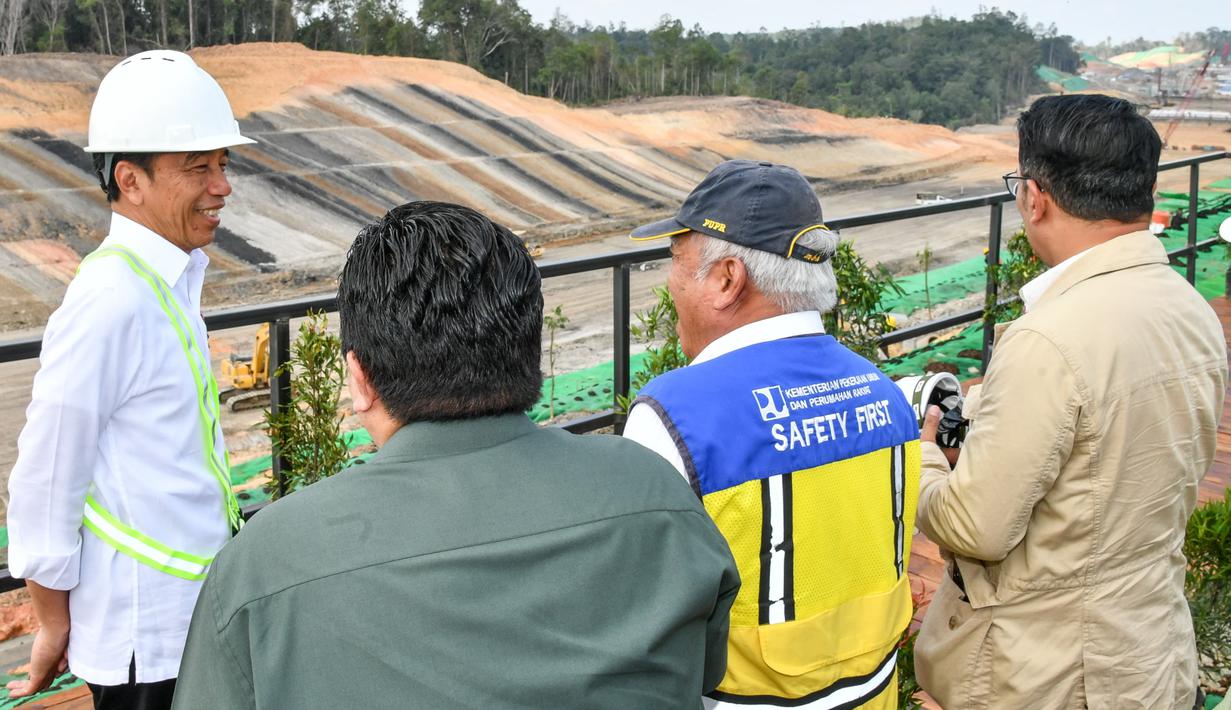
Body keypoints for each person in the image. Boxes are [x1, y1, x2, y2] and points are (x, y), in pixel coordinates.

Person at [171, 201, 740, 709]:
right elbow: (703, 668)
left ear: (359, 379)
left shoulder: (266, 562)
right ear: (527, 350)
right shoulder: (655, 493)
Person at [914, 94, 1227, 709]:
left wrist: (922, 452)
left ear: (1035, 197)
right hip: (1149, 651)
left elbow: (975, 529)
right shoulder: (1189, 307)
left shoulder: (1048, 340)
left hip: (1049, 675)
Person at [623, 160, 921, 709]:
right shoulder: (886, 395)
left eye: (676, 261)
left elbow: (638, 614)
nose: (671, 283)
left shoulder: (674, 415)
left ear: (727, 278)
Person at [5, 50, 254, 708]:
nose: (221, 185)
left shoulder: (165, 282)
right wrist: (54, 620)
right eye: (197, 167)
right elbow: (46, 473)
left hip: (190, 615)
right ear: (130, 180)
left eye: (223, 164)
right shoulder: (111, 300)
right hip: (147, 637)